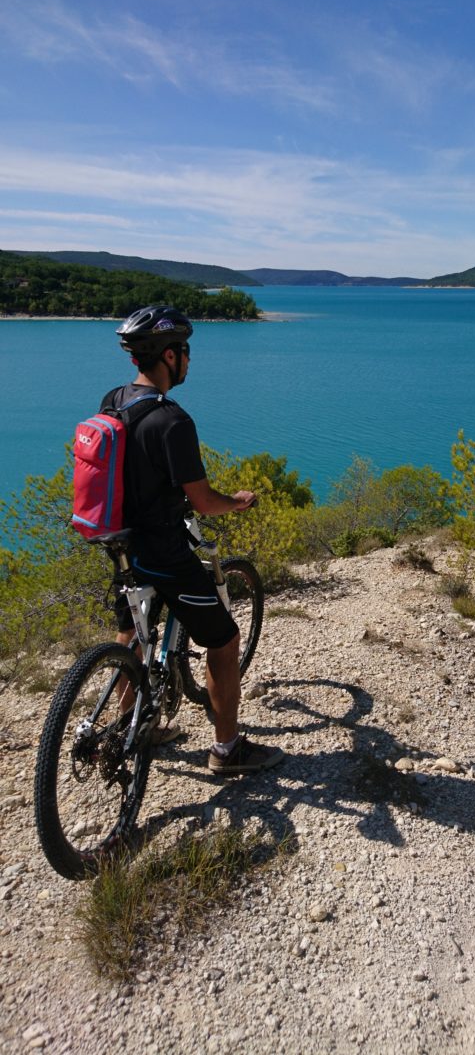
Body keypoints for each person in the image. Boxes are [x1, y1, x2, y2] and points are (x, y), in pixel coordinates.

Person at [103, 304, 283, 775]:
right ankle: (227, 750)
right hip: (163, 549)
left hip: (121, 543)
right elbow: (203, 502)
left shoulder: (114, 399)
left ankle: (133, 723)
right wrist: (237, 500)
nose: (189, 359)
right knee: (224, 642)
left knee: (132, 634)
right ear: (168, 355)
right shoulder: (173, 421)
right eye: (184, 351)